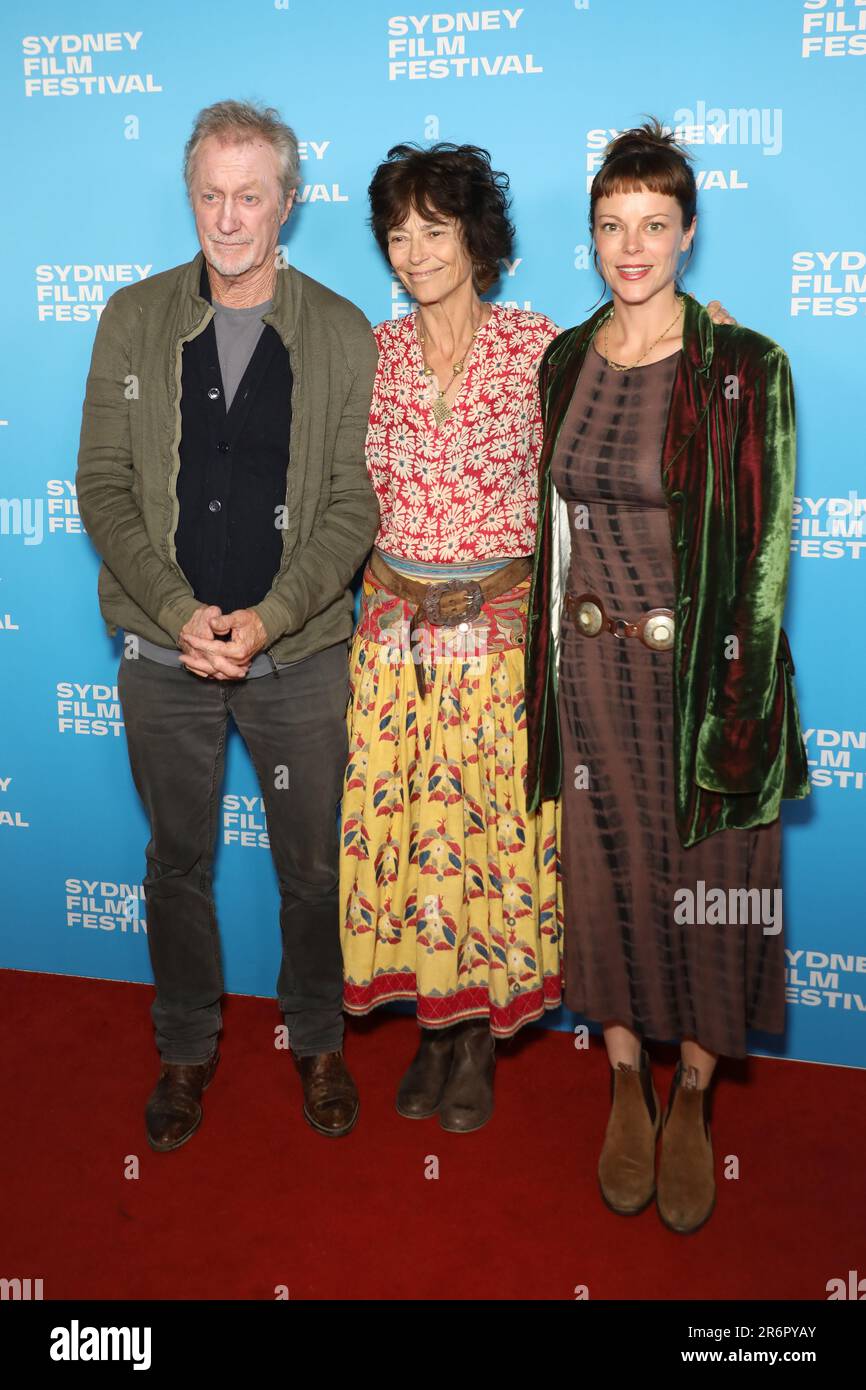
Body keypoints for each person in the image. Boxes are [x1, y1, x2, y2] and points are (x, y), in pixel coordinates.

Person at [76, 100, 379, 1151]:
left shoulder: (341, 330)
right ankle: (186, 1046)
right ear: (190, 193)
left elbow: (351, 504)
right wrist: (178, 613)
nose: (228, 215)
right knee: (175, 863)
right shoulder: (133, 317)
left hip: (297, 658)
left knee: (310, 867)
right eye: (210, 193)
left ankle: (316, 1038)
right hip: (163, 655)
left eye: (251, 195)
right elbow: (102, 487)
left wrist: (268, 618)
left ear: (288, 203)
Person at [524, 121, 810, 1231]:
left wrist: (734, 725)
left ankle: (692, 1091)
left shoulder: (741, 366)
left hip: (702, 691)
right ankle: (622, 1078)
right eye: (609, 226)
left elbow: (765, 552)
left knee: (707, 894)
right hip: (588, 682)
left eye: (652, 225)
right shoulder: (563, 360)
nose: (628, 247)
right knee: (605, 887)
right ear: (591, 237)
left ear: (686, 233)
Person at [339, 144, 563, 1133]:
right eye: (398, 233)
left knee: (480, 838)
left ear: (479, 242)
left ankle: (473, 1039)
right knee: (409, 844)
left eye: (435, 230)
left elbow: (610, 439)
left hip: (495, 639)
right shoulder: (373, 356)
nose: (414, 251)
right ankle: (429, 1029)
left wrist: (705, 332)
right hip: (389, 635)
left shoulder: (538, 349)